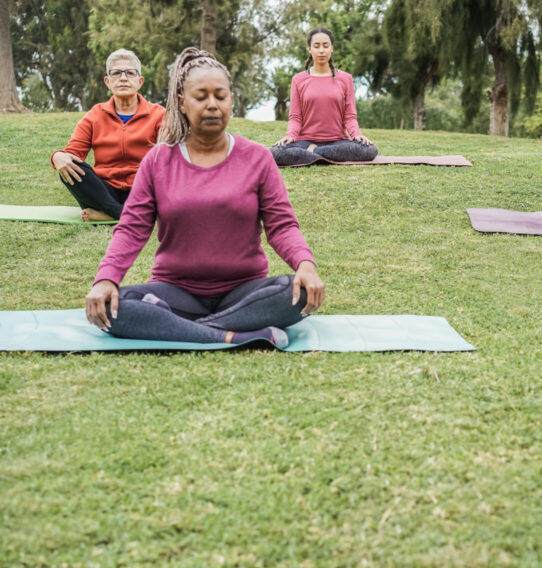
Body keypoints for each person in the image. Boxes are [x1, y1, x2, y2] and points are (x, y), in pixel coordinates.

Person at [85, 48, 325, 347]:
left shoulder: (258, 158)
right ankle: (235, 335)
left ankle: (179, 328)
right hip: (176, 291)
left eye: (220, 96)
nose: (212, 104)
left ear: (231, 101)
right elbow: (131, 229)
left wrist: (305, 264)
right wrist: (106, 278)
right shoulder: (158, 160)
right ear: (182, 103)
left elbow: (282, 226)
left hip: (245, 291)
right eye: (201, 97)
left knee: (297, 292)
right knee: (111, 305)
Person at [50, 49, 165, 221]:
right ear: (108, 81)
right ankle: (121, 213)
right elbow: (72, 154)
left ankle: (110, 215)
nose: (123, 78)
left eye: (130, 73)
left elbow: (172, 155)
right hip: (104, 193)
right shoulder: (94, 115)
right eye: (116, 73)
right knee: (69, 166)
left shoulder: (159, 115)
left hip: (142, 189)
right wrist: (57, 157)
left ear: (140, 81)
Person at [271, 27, 377, 167]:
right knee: (275, 152)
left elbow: (349, 116)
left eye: (325, 46)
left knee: (369, 150)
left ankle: (315, 153)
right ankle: (322, 155)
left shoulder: (346, 79)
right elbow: (295, 117)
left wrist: (357, 135)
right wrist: (290, 136)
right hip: (305, 141)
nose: (321, 50)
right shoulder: (298, 79)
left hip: (337, 142)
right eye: (316, 46)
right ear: (310, 49)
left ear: (332, 48)